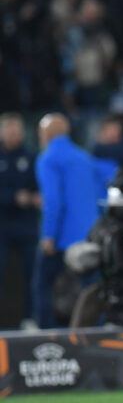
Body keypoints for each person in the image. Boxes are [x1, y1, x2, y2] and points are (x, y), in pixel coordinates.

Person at [34, 113, 100, 329]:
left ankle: (46, 336)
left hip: (63, 237)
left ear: (46, 134)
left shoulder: (48, 158)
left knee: (43, 286)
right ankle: (93, 333)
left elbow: (53, 201)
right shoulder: (83, 157)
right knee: (91, 289)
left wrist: (49, 235)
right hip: (89, 235)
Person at [0, 113, 39, 326]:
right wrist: (13, 198)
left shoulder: (32, 157)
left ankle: (29, 318)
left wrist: (36, 197)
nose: (15, 136)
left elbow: (40, 188)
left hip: (26, 227)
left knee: (31, 275)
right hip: (2, 227)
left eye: (18, 131)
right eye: (10, 131)